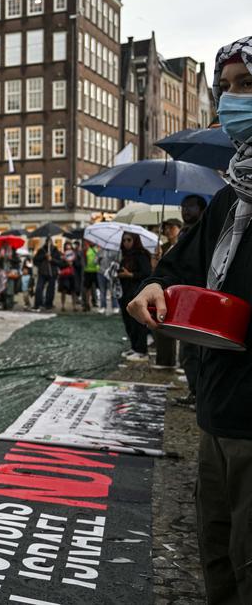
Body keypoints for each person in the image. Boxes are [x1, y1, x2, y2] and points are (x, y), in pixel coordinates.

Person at [128, 37, 252, 605]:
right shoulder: (232, 197)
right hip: (217, 409)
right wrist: (156, 284)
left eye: (245, 85)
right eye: (224, 88)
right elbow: (183, 263)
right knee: (218, 555)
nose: (230, 100)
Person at [174, 196, 207, 405]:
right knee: (187, 351)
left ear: (201, 209)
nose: (185, 210)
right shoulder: (184, 233)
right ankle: (194, 391)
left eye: (190, 207)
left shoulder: (206, 231)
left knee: (197, 350)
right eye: (183, 207)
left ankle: (200, 395)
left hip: (200, 297)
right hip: (185, 298)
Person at [118, 232, 151, 362]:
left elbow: (146, 273)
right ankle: (134, 347)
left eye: (129, 240)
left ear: (135, 240)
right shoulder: (125, 256)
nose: (126, 243)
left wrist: (130, 275)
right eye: (124, 240)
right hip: (125, 293)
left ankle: (142, 350)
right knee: (128, 322)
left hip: (137, 293)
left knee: (138, 323)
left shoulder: (141, 255)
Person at [32, 240, 61, 310]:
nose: (49, 244)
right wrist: (43, 257)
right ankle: (38, 303)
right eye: (48, 242)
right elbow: (35, 260)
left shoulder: (55, 251)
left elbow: (59, 262)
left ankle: (48, 304)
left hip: (52, 272)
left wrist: (51, 259)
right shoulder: (41, 250)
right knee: (39, 288)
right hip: (42, 272)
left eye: (50, 242)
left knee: (50, 289)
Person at [57, 241, 78, 311]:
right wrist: (66, 263)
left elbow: (78, 264)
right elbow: (60, 265)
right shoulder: (62, 255)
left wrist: (73, 263)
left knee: (73, 291)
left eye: (69, 246)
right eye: (67, 246)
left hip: (72, 274)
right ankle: (63, 306)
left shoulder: (74, 254)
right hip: (64, 275)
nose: (68, 248)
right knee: (63, 290)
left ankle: (74, 306)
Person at [81, 240, 99, 312]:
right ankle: (86, 303)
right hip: (87, 271)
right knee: (87, 288)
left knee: (94, 288)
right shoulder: (86, 249)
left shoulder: (97, 249)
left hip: (96, 271)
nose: (91, 242)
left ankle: (94, 301)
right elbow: (83, 259)